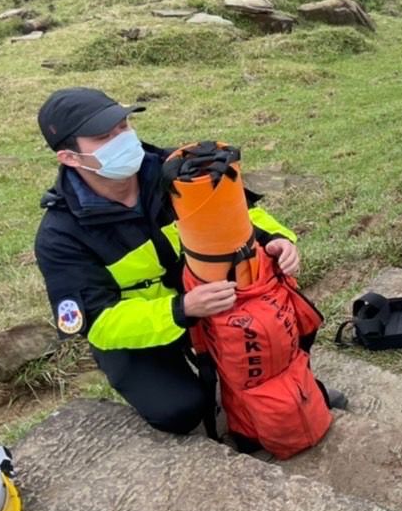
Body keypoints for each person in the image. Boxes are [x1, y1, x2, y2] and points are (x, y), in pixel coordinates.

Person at [33, 88, 302, 433]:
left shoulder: (173, 170)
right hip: (147, 327)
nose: (123, 139)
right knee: (180, 410)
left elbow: (238, 212)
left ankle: (296, 394)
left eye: (123, 125)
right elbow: (98, 322)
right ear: (70, 158)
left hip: (209, 295)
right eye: (103, 137)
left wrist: (278, 239)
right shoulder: (60, 236)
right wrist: (181, 309)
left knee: (270, 340)